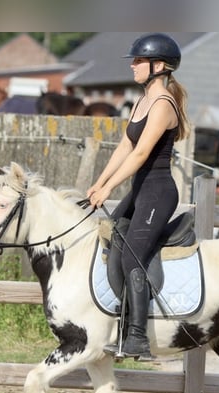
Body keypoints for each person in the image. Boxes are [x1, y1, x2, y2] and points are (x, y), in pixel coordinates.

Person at [87, 33, 190, 360]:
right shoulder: (142, 102)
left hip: (158, 192)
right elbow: (125, 146)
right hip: (140, 190)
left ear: (158, 66)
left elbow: (142, 153)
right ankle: (121, 317)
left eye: (138, 61)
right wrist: (98, 181)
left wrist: (109, 188)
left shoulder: (162, 105)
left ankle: (137, 337)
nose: (132, 66)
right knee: (113, 236)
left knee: (133, 256)